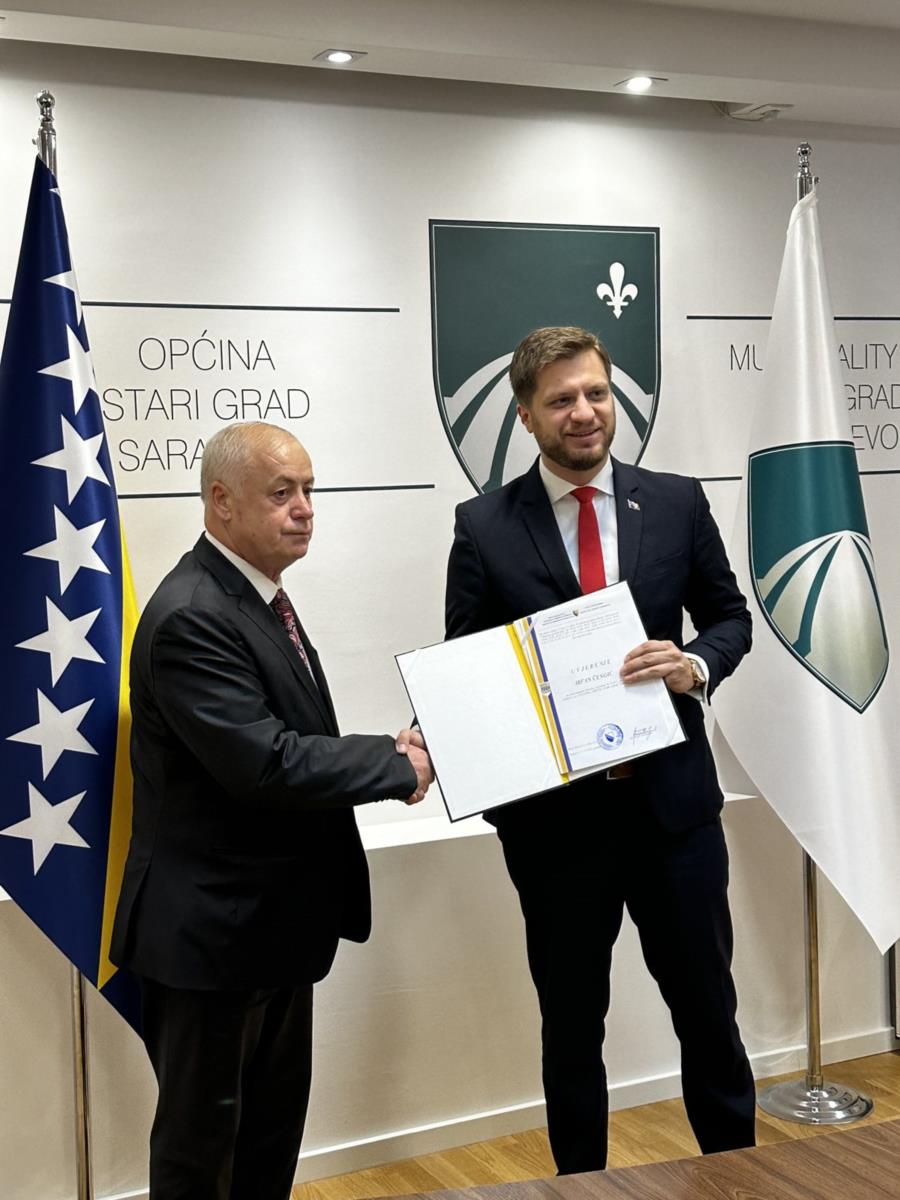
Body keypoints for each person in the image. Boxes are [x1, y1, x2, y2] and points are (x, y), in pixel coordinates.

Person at [444, 327, 755, 1173]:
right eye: (561, 400)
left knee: (709, 1017)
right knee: (573, 1031)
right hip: (557, 831)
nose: (583, 413)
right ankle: (579, 1186)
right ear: (525, 414)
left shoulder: (678, 502)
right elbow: (468, 668)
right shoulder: (484, 526)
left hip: (676, 818)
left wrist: (694, 664)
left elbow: (730, 617)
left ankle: (741, 1179)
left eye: (596, 394)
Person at [111, 421, 433, 1200]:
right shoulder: (193, 614)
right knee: (200, 1159)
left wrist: (392, 753)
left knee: (266, 1144)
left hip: (270, 930)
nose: (305, 509)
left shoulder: (257, 597)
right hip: (210, 942)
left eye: (309, 490)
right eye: (282, 493)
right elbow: (264, 762)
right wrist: (397, 764)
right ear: (221, 502)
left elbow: (289, 740)